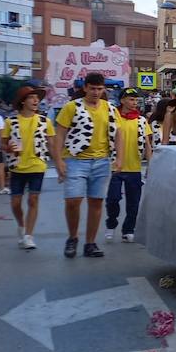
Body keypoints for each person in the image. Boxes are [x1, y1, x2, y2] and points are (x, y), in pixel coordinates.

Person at [55, 71, 120, 258]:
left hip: (102, 160)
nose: (96, 92)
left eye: (100, 89)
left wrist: (119, 158)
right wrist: (59, 160)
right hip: (76, 159)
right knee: (73, 200)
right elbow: (60, 133)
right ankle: (72, 237)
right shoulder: (71, 107)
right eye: (92, 88)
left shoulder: (110, 108)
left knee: (97, 201)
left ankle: (90, 243)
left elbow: (119, 134)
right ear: (85, 88)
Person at [4, 86, 56, 250]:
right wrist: (8, 148)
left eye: (37, 98)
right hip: (17, 166)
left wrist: (60, 163)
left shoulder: (44, 121)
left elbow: (52, 144)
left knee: (33, 199)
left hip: (37, 165)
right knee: (15, 203)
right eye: (31, 97)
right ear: (23, 101)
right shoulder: (10, 121)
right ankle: (21, 225)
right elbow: (3, 143)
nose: (36, 101)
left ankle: (28, 235)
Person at [106, 87, 153, 243]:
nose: (135, 103)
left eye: (136, 100)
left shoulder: (141, 120)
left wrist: (151, 165)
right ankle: (111, 224)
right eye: (131, 99)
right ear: (122, 100)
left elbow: (147, 144)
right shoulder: (114, 118)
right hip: (115, 167)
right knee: (113, 199)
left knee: (133, 203)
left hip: (134, 168)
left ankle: (128, 230)